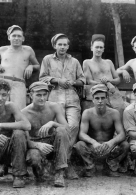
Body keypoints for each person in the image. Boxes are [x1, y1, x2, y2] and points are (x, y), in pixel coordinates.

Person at [39, 33, 86, 179]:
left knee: (73, 127)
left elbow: (82, 80)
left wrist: (73, 82)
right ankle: (56, 163)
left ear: (68, 46)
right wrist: (57, 80)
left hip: (72, 98)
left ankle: (65, 163)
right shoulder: (47, 59)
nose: (63, 47)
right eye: (60, 44)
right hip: (54, 98)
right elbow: (42, 77)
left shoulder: (75, 61)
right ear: (54, 46)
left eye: (65, 44)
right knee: (58, 129)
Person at [21, 81, 70, 187]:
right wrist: (38, 145)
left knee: (61, 130)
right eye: (38, 95)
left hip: (52, 144)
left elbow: (67, 128)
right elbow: (24, 140)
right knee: (35, 159)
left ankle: (60, 173)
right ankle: (38, 172)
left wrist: (52, 123)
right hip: (35, 145)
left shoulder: (54, 107)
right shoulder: (24, 113)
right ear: (30, 95)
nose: (42, 98)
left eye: (44, 95)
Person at [74, 84, 130, 177]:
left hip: (108, 147)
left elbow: (122, 134)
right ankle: (90, 167)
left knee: (125, 145)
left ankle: (111, 166)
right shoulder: (87, 113)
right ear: (92, 99)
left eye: (102, 98)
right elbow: (81, 134)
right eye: (97, 98)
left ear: (106, 98)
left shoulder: (114, 113)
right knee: (80, 145)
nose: (100, 101)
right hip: (93, 147)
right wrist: (93, 142)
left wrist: (111, 142)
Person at [0, 25, 40, 110]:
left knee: (19, 111)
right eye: (14, 36)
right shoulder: (3, 50)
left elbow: (37, 65)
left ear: (23, 38)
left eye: (19, 36)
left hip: (19, 84)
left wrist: (31, 66)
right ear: (9, 37)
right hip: (2, 82)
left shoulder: (28, 50)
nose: (16, 38)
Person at [83, 34, 125, 115]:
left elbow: (118, 79)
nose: (98, 49)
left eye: (101, 47)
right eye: (96, 47)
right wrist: (107, 83)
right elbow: (89, 81)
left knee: (120, 112)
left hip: (113, 93)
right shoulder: (87, 62)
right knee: (104, 116)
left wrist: (109, 80)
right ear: (91, 48)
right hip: (99, 93)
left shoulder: (108, 62)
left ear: (103, 49)